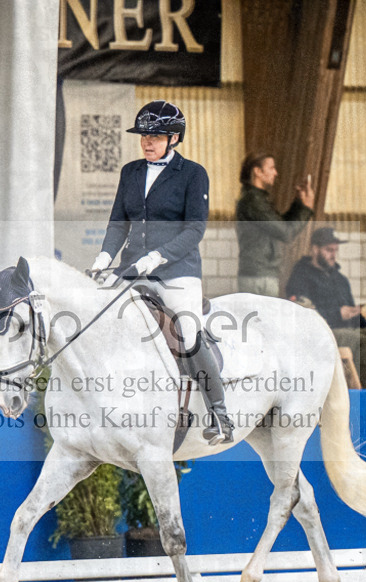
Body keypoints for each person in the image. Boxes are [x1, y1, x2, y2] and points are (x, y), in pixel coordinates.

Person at [89, 100, 233, 444]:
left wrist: (156, 257)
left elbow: (195, 229)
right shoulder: (131, 172)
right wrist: (103, 258)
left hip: (177, 270)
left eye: (154, 137)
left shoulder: (193, 173)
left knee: (187, 331)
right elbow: (118, 223)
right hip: (131, 269)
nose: (147, 142)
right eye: (143, 136)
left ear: (174, 138)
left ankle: (219, 414)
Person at [285, 227, 366, 389]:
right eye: (329, 250)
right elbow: (302, 315)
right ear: (315, 249)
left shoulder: (340, 279)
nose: (333, 255)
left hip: (349, 330)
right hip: (324, 333)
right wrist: (337, 314)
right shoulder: (300, 276)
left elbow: (353, 314)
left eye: (335, 250)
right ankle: (361, 396)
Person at [235, 152, 315, 297]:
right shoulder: (254, 202)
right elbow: (286, 233)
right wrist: (306, 208)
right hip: (260, 277)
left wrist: (299, 205)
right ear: (257, 171)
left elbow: (280, 226)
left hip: (259, 274)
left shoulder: (256, 200)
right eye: (271, 168)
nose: (276, 173)